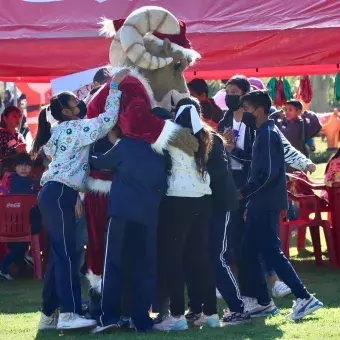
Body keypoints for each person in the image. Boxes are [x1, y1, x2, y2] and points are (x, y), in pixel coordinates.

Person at [34, 69, 128, 332]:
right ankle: (70, 312)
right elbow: (108, 120)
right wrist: (115, 87)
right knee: (66, 256)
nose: (80, 103)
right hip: (62, 193)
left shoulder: (56, 131)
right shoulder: (76, 128)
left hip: (54, 193)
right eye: (74, 102)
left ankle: (49, 315)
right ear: (67, 111)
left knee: (58, 254)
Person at [218, 75, 316, 302]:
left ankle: (285, 289)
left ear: (247, 97)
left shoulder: (264, 129)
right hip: (237, 185)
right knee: (242, 241)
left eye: (235, 93)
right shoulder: (226, 121)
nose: (231, 97)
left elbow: (277, 157)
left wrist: (304, 162)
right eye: (228, 92)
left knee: (266, 245)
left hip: (256, 188)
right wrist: (225, 148)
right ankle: (251, 294)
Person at [238, 90, 323, 321]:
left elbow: (266, 175)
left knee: (271, 252)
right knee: (248, 252)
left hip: (264, 202)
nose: (243, 113)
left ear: (259, 110)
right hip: (260, 202)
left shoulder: (266, 134)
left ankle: (304, 298)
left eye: (246, 109)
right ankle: (259, 302)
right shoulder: (265, 133)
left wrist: (242, 193)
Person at [89, 124, 168, 333]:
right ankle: (141, 319)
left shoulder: (125, 145)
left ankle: (110, 318)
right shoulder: (158, 148)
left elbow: (101, 163)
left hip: (123, 214)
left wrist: (86, 150)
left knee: (113, 266)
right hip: (148, 215)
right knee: (143, 268)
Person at [154, 98, 218, 332]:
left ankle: (178, 315)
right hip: (203, 198)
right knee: (200, 259)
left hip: (177, 199)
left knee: (174, 259)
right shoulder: (205, 136)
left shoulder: (172, 135)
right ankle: (210, 313)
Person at [0, 153, 41, 281]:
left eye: (27, 166)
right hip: (24, 227)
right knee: (21, 246)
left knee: (17, 247)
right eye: (20, 166)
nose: (23, 169)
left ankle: (22, 265)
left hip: (7, 224)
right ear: (15, 167)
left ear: (31, 167)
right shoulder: (31, 183)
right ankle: (3, 267)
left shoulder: (8, 182)